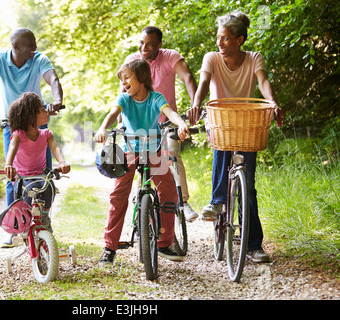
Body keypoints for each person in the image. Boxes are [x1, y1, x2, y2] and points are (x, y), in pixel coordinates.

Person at [187, 11, 285, 263]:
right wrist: (196, 105)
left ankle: (253, 246)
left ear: (240, 39)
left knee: (248, 188)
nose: (220, 43)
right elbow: (203, 84)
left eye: (227, 39)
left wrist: (272, 103)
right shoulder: (212, 58)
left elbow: (262, 83)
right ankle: (217, 201)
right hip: (221, 121)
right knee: (221, 145)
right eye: (219, 38)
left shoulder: (254, 59)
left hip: (246, 123)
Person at [94, 59, 190, 264]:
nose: (124, 83)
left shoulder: (156, 98)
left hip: (154, 151)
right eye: (122, 80)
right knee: (118, 195)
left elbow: (169, 112)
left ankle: (165, 243)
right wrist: (103, 127)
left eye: (127, 78)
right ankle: (109, 247)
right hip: (130, 151)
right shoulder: (124, 99)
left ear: (142, 78)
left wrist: (181, 123)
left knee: (169, 191)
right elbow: (113, 114)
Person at [0, 27, 64, 247]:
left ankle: (42, 222)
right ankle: (15, 227)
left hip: (38, 123)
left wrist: (56, 99)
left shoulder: (38, 59)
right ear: (16, 46)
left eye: (35, 44)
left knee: (45, 176)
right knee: (14, 176)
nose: (35, 48)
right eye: (31, 45)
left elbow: (53, 80)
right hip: (12, 124)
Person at [124, 26, 199, 222]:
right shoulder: (132, 61)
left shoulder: (170, 57)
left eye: (150, 44)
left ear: (160, 45)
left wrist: (195, 105)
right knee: (144, 163)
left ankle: (182, 202)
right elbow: (123, 93)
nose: (144, 47)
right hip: (141, 123)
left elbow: (188, 77)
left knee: (171, 154)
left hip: (167, 120)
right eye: (141, 42)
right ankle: (144, 205)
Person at [4, 92, 70, 230]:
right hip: (22, 177)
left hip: (40, 174)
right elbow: (12, 148)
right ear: (30, 117)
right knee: (28, 194)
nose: (46, 111)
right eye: (42, 109)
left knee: (49, 187)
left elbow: (55, 148)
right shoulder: (19, 134)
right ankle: (25, 224)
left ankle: (45, 216)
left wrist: (62, 162)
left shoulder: (46, 134)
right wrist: (8, 165)